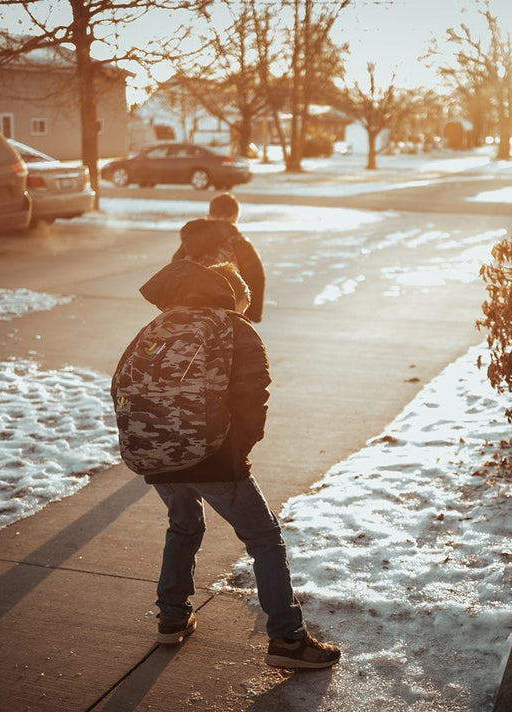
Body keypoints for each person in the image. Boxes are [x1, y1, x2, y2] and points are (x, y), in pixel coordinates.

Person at [133, 258, 340, 669]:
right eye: (243, 302)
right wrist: (237, 450)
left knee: (183, 526)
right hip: (212, 457)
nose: (243, 310)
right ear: (232, 294)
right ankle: (287, 639)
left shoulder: (163, 324)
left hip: (156, 450)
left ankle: (172, 616)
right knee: (265, 538)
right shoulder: (232, 326)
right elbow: (252, 394)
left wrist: (154, 441)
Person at [171, 192, 266, 323]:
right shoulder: (239, 243)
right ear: (235, 218)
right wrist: (252, 315)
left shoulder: (191, 241)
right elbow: (256, 278)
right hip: (224, 314)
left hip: (187, 309)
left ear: (209, 216)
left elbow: (173, 269)